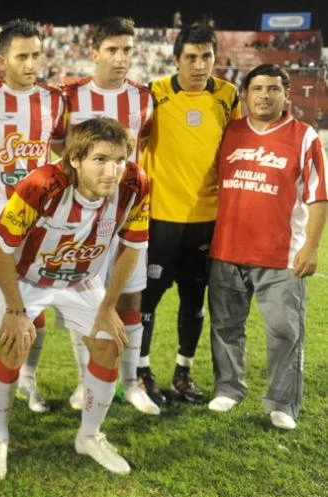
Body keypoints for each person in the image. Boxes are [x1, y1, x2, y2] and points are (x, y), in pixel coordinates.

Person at [0, 117, 149, 479]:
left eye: (119, 160)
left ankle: (89, 436)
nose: (113, 170)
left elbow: (133, 248)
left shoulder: (136, 183)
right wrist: (14, 309)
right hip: (27, 278)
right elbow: (0, 246)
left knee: (109, 343)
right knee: (14, 343)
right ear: (75, 159)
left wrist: (107, 308)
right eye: (101, 160)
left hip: (82, 280)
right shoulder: (41, 185)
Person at [26, 17, 159, 416]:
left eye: (128, 50)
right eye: (113, 50)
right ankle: (85, 383)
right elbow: (55, 148)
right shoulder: (67, 97)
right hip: (82, 217)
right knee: (83, 295)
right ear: (94, 53)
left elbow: (143, 142)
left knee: (131, 293)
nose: (121, 59)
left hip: (129, 209)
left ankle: (132, 382)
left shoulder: (143, 98)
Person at [207, 64, 327, 429]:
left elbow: (318, 195)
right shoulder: (229, 132)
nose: (264, 95)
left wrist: (310, 247)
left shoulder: (304, 136)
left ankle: (282, 402)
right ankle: (229, 387)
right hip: (226, 249)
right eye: (257, 88)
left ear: (286, 94)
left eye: (273, 89)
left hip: (280, 256)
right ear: (244, 95)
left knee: (284, 331)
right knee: (226, 327)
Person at [0, 19, 64, 416]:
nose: (32, 63)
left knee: (35, 303)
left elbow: (62, 146)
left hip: (37, 214)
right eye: (22, 56)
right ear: (2, 60)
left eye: (37, 55)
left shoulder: (55, 101)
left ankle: (28, 379)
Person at [139, 24, 239, 405]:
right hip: (160, 219)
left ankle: (183, 373)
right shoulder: (155, 94)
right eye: (191, 58)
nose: (200, 66)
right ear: (176, 59)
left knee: (194, 300)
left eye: (207, 57)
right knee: (147, 300)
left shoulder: (228, 96)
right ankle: (142, 372)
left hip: (207, 220)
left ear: (215, 58)